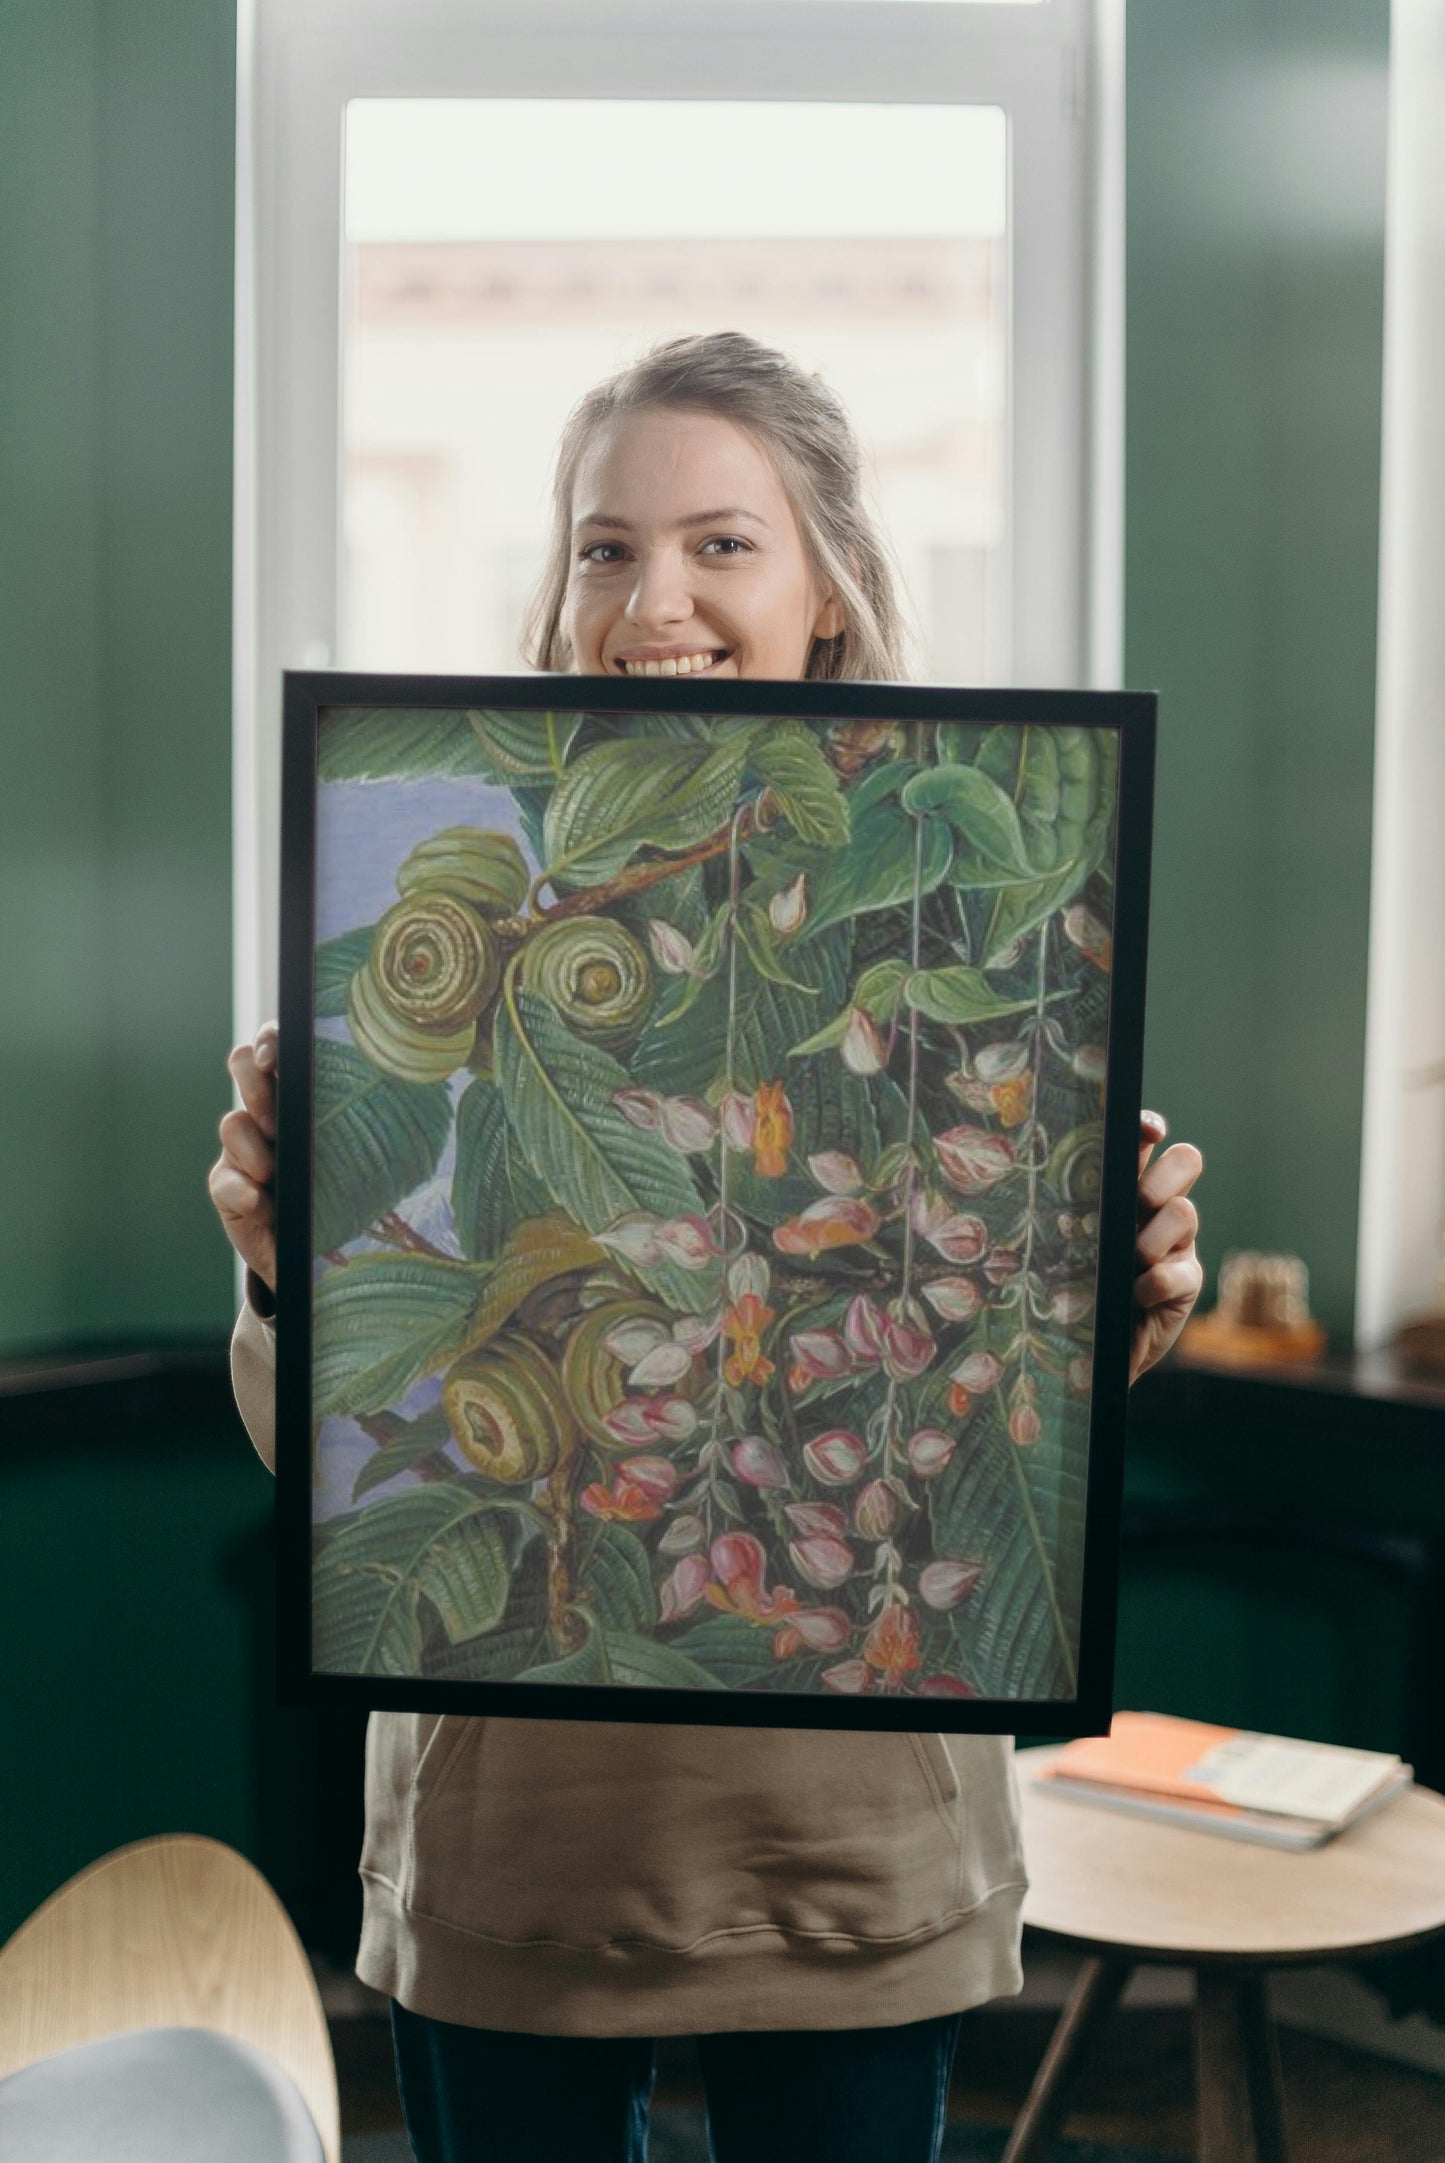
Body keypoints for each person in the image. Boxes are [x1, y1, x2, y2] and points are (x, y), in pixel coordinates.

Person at [210, 332, 1204, 2163]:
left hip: (850, 1844)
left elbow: (983, 1421)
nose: (649, 597)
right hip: (519, 1844)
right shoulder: (440, 888)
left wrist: (1109, 1296)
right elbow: (334, 1457)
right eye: (604, 546)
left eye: (719, 544)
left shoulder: (969, 900)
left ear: (826, 586)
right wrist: (288, 1272)